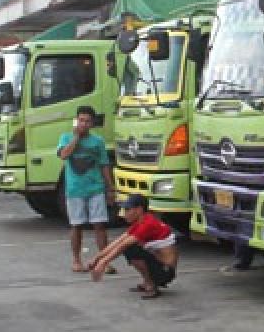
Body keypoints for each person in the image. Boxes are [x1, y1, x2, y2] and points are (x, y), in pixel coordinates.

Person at [56, 105, 117, 273]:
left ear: (92, 124)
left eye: (87, 121)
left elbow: (104, 165)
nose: (83, 124)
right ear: (76, 121)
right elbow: (64, 155)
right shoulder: (66, 137)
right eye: (81, 120)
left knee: (100, 225)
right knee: (76, 225)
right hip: (75, 190)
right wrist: (76, 137)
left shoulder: (97, 142)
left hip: (95, 188)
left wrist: (110, 188)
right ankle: (76, 261)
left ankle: (103, 260)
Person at [89, 193, 178, 298]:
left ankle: (151, 285)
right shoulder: (140, 222)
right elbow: (118, 241)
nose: (124, 214)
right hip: (160, 265)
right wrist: (97, 258)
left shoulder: (148, 224)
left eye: (127, 210)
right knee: (130, 248)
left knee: (131, 248)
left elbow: (122, 246)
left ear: (139, 209)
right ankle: (147, 282)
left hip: (166, 271)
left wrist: (102, 263)